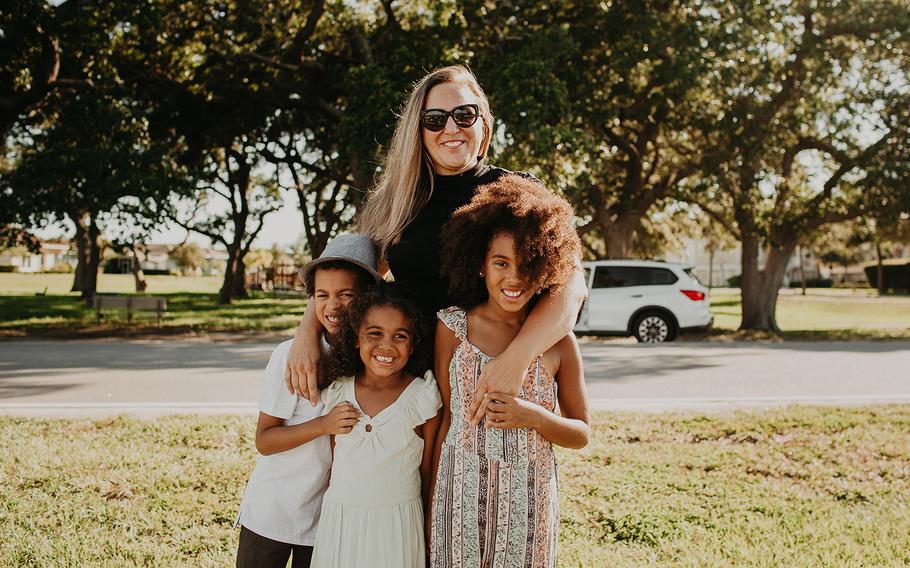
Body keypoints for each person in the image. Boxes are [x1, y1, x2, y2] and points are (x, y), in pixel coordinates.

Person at [286, 65, 587, 426]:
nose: (451, 128)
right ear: (419, 129)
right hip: (410, 372)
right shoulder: (395, 201)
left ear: (484, 124)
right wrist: (307, 331)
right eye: (434, 119)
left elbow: (571, 288)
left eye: (464, 114)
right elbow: (351, 276)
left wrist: (515, 359)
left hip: (486, 374)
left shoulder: (517, 193)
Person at [429, 175, 591, 567]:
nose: (514, 277)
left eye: (527, 264)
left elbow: (581, 433)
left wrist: (533, 416)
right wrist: (430, 498)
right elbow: (447, 419)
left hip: (530, 497)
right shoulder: (452, 328)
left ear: (547, 268)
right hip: (458, 492)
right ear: (480, 266)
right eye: (501, 263)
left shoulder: (558, 343)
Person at [235, 234, 381, 568]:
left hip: (325, 519)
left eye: (346, 295)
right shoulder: (291, 356)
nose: (332, 306)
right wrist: (324, 425)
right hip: (273, 512)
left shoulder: (371, 358)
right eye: (322, 295)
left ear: (367, 297)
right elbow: (264, 440)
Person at [310, 282, 442, 568]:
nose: (386, 346)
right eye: (375, 334)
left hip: (398, 522)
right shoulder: (338, 391)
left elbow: (429, 469)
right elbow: (336, 459)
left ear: (413, 342)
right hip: (342, 518)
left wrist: (430, 519)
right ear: (357, 337)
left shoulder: (422, 397)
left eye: (400, 336)